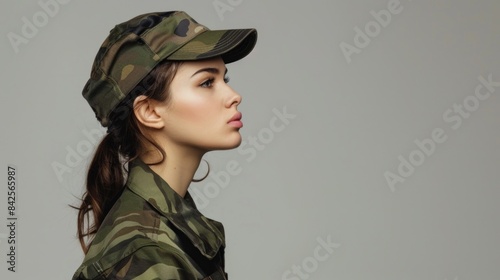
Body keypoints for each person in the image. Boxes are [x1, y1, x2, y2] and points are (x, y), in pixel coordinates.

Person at [72, 11, 257, 280]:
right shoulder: (147, 253)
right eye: (207, 82)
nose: (234, 96)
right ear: (149, 111)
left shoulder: (170, 233)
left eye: (224, 79)